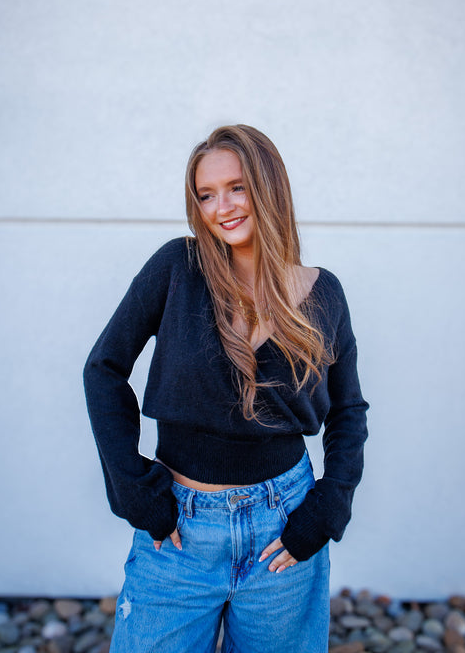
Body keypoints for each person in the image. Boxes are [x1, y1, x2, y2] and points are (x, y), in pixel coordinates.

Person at [83, 124, 368, 653]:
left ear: (268, 186)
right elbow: (102, 369)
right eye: (206, 194)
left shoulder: (323, 293)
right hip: (180, 530)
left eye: (236, 187)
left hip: (284, 530)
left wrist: (330, 507)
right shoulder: (178, 267)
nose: (223, 207)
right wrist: (135, 493)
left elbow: (348, 410)